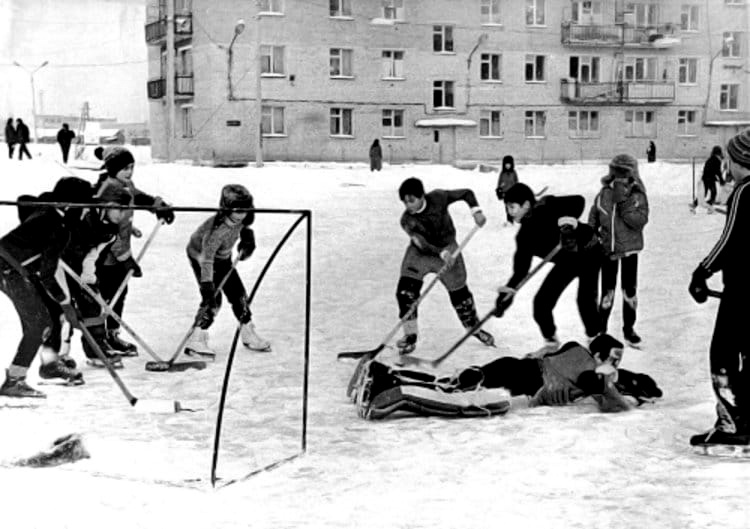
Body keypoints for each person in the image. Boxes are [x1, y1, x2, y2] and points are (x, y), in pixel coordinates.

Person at [356, 334, 662, 419]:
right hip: (520, 376)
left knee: (451, 383)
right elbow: (606, 398)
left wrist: (634, 384)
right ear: (599, 356)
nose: (616, 364)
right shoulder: (591, 369)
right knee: (452, 392)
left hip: (515, 367)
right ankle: (385, 380)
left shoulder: (574, 348)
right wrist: (628, 402)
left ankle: (382, 373)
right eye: (613, 358)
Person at [0, 177, 98, 397]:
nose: (86, 212)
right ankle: (14, 381)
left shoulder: (47, 212)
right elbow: (47, 276)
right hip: (8, 270)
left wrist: (61, 305)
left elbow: (24, 202)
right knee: (39, 324)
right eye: (84, 206)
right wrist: (66, 304)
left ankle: (49, 365)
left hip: (14, 268)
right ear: (71, 205)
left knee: (48, 316)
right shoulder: (59, 227)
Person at [688, 128, 750, 449]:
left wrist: (702, 271)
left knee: (723, 353)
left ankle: (733, 423)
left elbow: (731, 240)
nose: (728, 164)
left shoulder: (744, 190)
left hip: (743, 290)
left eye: (732, 158)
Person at [494, 183, 602, 352]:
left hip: (589, 252)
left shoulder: (546, 206)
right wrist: (507, 294)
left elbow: (578, 202)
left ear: (526, 205)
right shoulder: (524, 237)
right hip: (567, 261)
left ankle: (598, 343)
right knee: (541, 304)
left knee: (585, 302)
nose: (509, 211)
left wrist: (567, 224)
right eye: (507, 207)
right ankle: (551, 344)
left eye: (512, 207)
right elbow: (520, 271)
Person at [395, 177, 494, 355]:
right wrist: (440, 253)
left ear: (422, 196)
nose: (408, 206)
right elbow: (422, 244)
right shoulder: (407, 220)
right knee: (405, 292)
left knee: (460, 295)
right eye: (405, 202)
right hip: (421, 253)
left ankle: (474, 328)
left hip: (449, 248)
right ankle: (410, 336)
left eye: (412, 200)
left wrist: (476, 211)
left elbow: (466, 193)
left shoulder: (439, 197)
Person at [93, 147, 175, 356]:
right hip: (105, 253)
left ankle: (112, 334)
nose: (129, 172)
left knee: (120, 292)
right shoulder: (108, 190)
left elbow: (137, 197)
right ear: (112, 169)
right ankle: (99, 340)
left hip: (119, 249)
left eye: (131, 167)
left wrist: (159, 206)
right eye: (124, 169)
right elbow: (108, 230)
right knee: (107, 295)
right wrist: (126, 259)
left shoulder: (124, 185)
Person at [183, 184, 271, 357]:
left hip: (223, 258)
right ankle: (196, 337)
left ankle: (247, 331)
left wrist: (247, 243)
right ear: (226, 209)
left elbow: (243, 233)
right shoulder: (216, 230)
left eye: (245, 210)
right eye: (237, 210)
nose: (241, 215)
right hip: (202, 258)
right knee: (213, 299)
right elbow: (206, 258)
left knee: (238, 294)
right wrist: (207, 283)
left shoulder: (241, 221)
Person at [588, 154, 649, 348]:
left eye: (624, 175)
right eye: (617, 174)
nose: (620, 180)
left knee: (629, 291)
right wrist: (592, 233)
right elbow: (594, 215)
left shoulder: (637, 195)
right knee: (607, 292)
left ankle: (629, 329)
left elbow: (640, 221)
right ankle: (601, 329)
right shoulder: (604, 193)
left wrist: (624, 203)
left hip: (629, 250)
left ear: (632, 176)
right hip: (609, 250)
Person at [495, 155, 519, 225]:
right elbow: (499, 183)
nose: (507, 166)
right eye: (506, 165)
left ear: (512, 165)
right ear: (504, 165)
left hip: (513, 192)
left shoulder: (513, 173)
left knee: (512, 206)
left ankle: (512, 219)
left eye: (509, 165)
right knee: (507, 207)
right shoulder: (502, 173)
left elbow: (516, 181)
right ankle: (509, 221)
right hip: (505, 193)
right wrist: (499, 189)